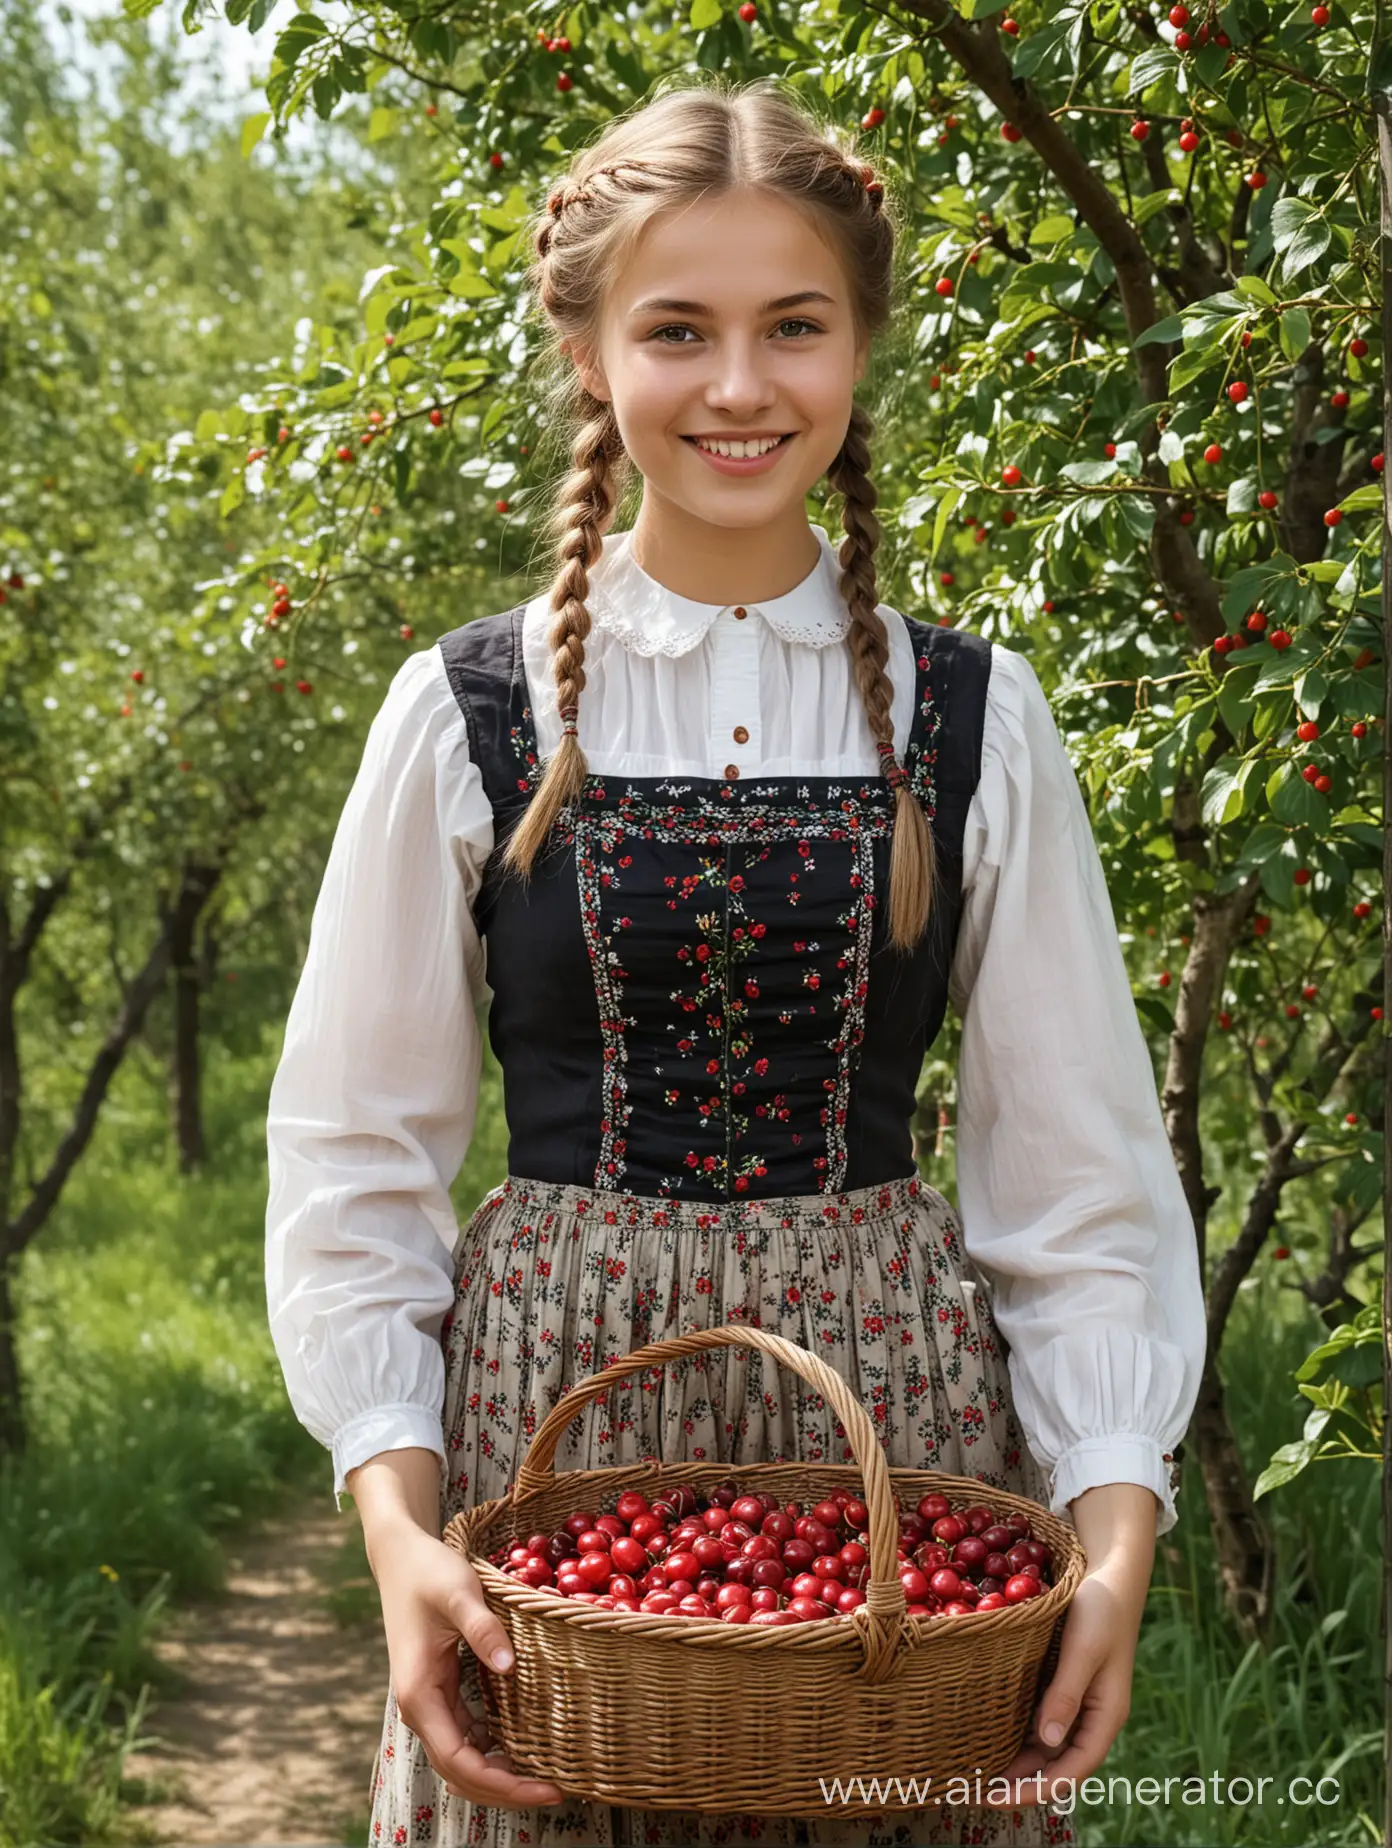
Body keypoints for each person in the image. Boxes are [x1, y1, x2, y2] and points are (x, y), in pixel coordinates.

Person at [264, 74, 1206, 1848]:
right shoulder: (472, 708)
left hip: (901, 1436)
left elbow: (1077, 1177)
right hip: (548, 1433)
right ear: (593, 355)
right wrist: (399, 1530)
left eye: (795, 326)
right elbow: (354, 1158)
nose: (741, 387)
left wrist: (1114, 1523)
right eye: (677, 329)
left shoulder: (971, 720)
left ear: (861, 349)